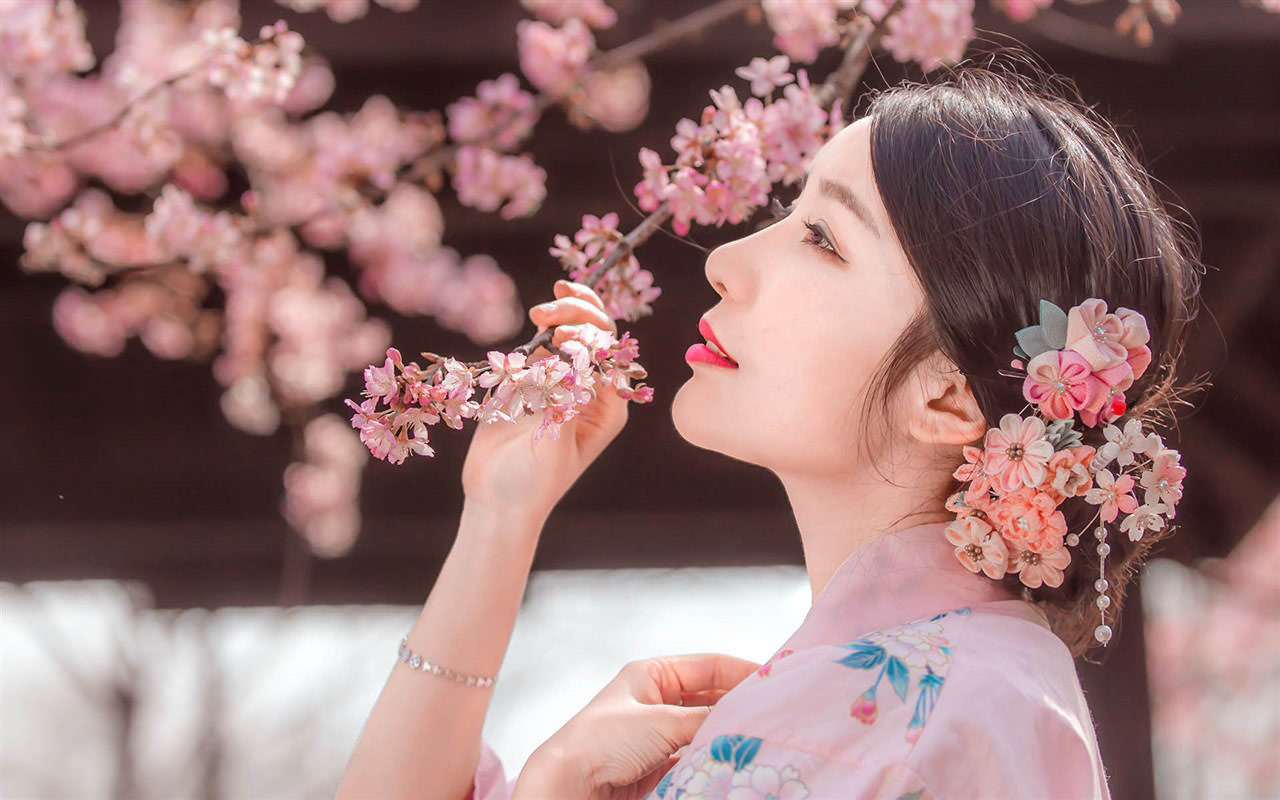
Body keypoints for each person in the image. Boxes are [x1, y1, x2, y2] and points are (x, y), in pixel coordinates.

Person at [336, 63, 1201, 800]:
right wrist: (500, 520)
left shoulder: (943, 709)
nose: (724, 259)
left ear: (947, 402)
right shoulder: (935, 696)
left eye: (822, 238)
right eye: (788, 215)